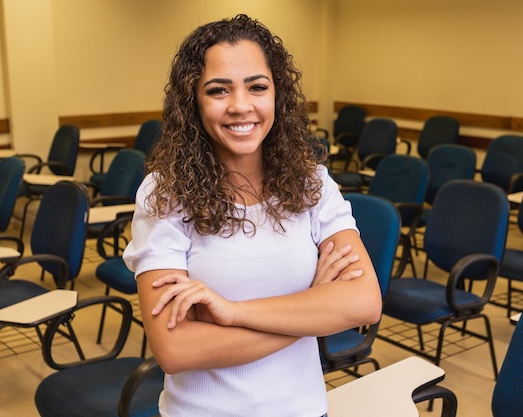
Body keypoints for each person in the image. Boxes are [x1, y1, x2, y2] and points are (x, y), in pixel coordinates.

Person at [122, 14, 382, 417]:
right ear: (193, 101)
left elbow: (364, 303)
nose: (241, 106)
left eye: (257, 87)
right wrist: (313, 307)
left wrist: (232, 312)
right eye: (218, 90)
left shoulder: (313, 184)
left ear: (277, 94)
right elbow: (175, 349)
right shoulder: (165, 195)